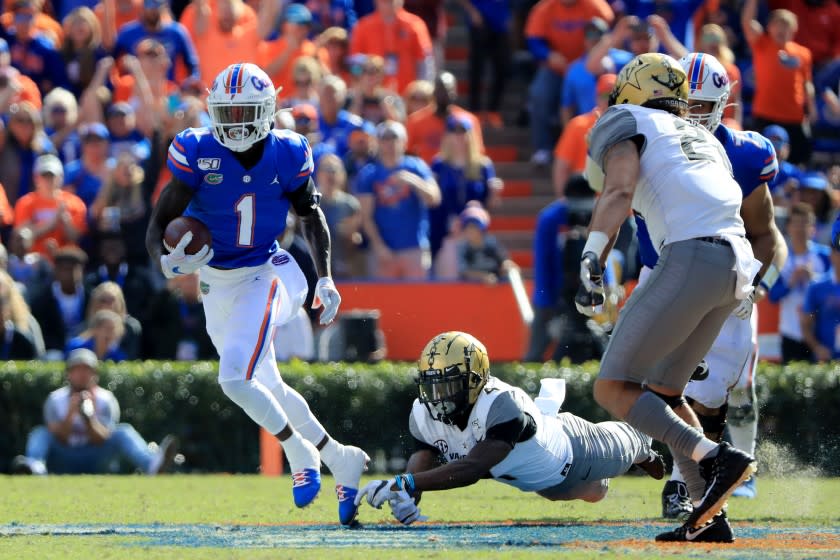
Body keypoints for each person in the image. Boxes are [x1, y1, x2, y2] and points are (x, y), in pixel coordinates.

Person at [144, 62, 369, 525]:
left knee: (233, 379)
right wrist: (163, 260)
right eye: (227, 112)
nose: (236, 122)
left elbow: (310, 216)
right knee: (265, 383)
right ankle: (341, 458)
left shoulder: (287, 152)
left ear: (267, 111)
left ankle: (299, 454)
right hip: (217, 283)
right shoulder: (196, 149)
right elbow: (160, 223)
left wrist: (325, 277)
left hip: (271, 270)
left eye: (246, 111)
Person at [579, 53, 760, 542]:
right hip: (736, 267)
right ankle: (707, 514)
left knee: (612, 388)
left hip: (690, 256)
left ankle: (716, 457)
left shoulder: (626, 118)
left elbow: (616, 191)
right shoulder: (704, 138)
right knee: (663, 391)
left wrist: (591, 258)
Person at [647, 52, 787, 514]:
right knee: (658, 385)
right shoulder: (647, 143)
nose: (691, 114)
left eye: (701, 104)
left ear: (722, 104)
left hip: (723, 280)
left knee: (713, 392)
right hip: (663, 275)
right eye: (684, 103)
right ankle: (678, 481)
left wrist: (755, 286)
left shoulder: (745, 155)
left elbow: (767, 236)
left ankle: (703, 477)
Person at [354, 331, 665, 524]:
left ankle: (643, 437)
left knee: (632, 442)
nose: (439, 398)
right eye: (433, 387)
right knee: (595, 493)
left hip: (575, 450)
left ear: (475, 379)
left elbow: (473, 468)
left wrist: (404, 483)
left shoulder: (501, 404)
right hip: (541, 481)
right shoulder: (422, 413)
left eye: (448, 386)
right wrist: (408, 496)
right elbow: (424, 456)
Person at [10, 348, 178, 475]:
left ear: (95, 374)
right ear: (69, 374)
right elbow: (59, 436)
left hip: (97, 457)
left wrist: (89, 418)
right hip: (64, 456)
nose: (82, 374)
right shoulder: (55, 400)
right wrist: (70, 414)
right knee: (39, 433)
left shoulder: (106, 399)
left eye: (87, 370)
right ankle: (35, 467)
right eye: (77, 369)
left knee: (124, 431)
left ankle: (152, 465)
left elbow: (103, 438)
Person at [356, 120, 441, 279]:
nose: (389, 144)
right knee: (383, 300)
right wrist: (379, 246)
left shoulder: (416, 167)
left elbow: (434, 198)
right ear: (378, 143)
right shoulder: (369, 174)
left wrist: (412, 180)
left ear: (403, 141)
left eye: (394, 138)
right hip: (384, 251)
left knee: (417, 298)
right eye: (384, 139)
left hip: (414, 248)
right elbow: (365, 216)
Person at [741, 1, 815, 165]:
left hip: (794, 116)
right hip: (765, 114)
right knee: (760, 160)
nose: (782, 29)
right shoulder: (762, 44)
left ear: (794, 29)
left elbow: (806, 84)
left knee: (798, 160)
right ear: (769, 27)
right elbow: (747, 22)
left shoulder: (803, 53)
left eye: (786, 25)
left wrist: (812, 108)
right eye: (777, 24)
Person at [769, 203, 830, 363]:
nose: (800, 229)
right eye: (796, 223)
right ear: (788, 227)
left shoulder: (825, 256)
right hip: (791, 332)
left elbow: (834, 284)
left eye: (805, 223)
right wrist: (791, 282)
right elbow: (772, 296)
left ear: (813, 228)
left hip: (819, 332)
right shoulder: (780, 258)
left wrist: (814, 278)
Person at [13, 154, 87, 258]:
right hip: (34, 260)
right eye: (44, 176)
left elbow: (76, 238)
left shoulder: (75, 203)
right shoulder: (25, 203)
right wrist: (52, 223)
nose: (49, 181)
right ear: (36, 178)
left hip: (64, 262)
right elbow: (21, 237)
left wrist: (65, 221)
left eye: (52, 176)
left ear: (61, 177)